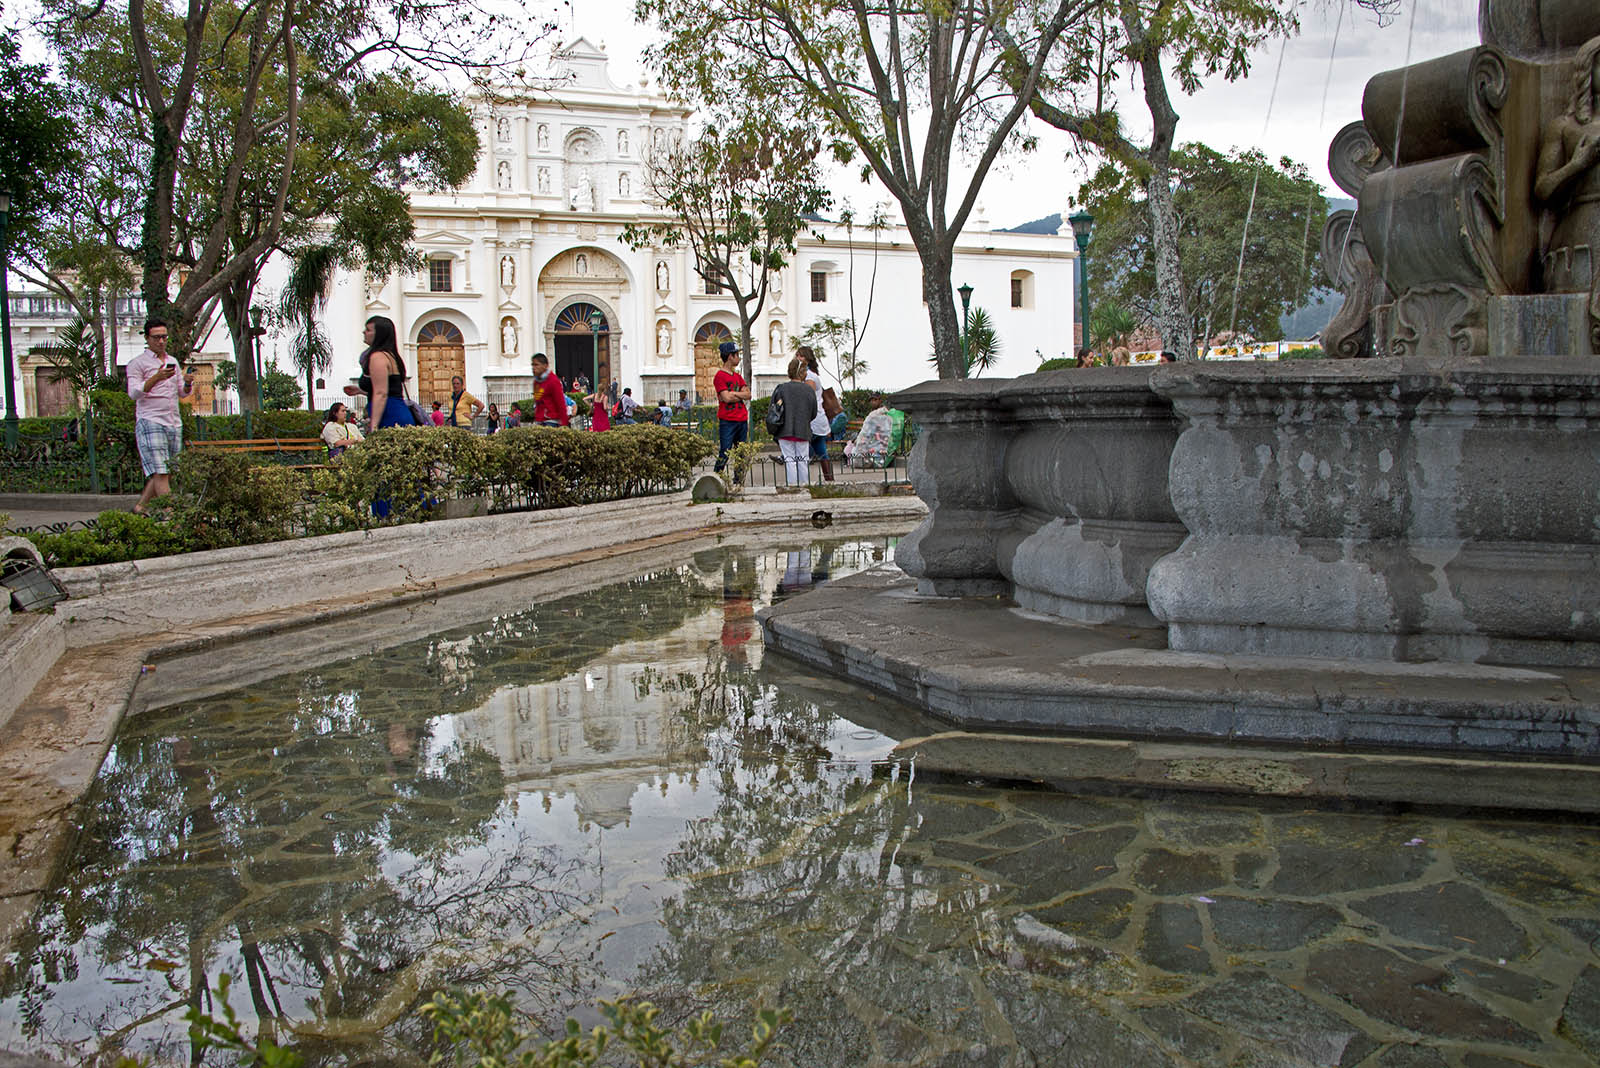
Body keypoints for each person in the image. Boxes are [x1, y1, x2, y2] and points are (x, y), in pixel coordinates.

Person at [126, 317, 195, 514]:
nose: (161, 341)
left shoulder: (172, 362)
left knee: (168, 471)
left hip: (173, 421)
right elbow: (134, 393)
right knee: (161, 471)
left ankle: (140, 507)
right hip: (151, 420)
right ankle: (171, 515)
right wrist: (156, 377)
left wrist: (187, 382)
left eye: (164, 337)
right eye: (156, 337)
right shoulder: (137, 364)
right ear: (147, 338)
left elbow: (182, 392)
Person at [343, 315, 417, 433]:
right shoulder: (391, 355)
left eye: (368, 330)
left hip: (389, 415)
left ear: (379, 334)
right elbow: (389, 389)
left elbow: (381, 393)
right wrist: (360, 391)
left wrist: (374, 426)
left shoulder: (378, 357)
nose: (364, 332)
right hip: (397, 411)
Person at [772, 356, 819, 486]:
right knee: (803, 460)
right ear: (802, 373)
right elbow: (814, 412)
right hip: (802, 430)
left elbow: (774, 409)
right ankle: (804, 486)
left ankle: (792, 487)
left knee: (790, 461)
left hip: (784, 430)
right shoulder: (808, 390)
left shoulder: (781, 389)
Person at [712, 341, 751, 475]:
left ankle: (738, 480)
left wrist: (733, 393)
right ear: (730, 356)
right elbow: (726, 398)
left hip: (741, 419)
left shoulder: (738, 376)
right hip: (728, 420)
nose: (738, 358)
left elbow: (748, 394)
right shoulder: (719, 376)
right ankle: (717, 477)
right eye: (736, 355)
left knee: (741, 453)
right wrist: (739, 395)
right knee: (725, 452)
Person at [798, 346, 835, 482]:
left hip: (813, 419)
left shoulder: (809, 377)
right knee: (821, 451)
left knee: (803, 449)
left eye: (800, 356)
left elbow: (808, 397)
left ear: (806, 359)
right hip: (818, 419)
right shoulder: (812, 375)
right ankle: (829, 480)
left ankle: (800, 478)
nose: (797, 358)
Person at [529, 353, 570, 426]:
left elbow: (560, 403)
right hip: (540, 420)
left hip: (551, 421)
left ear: (545, 366)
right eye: (532, 365)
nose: (533, 368)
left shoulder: (553, 380)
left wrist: (564, 423)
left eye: (536, 365)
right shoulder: (536, 382)